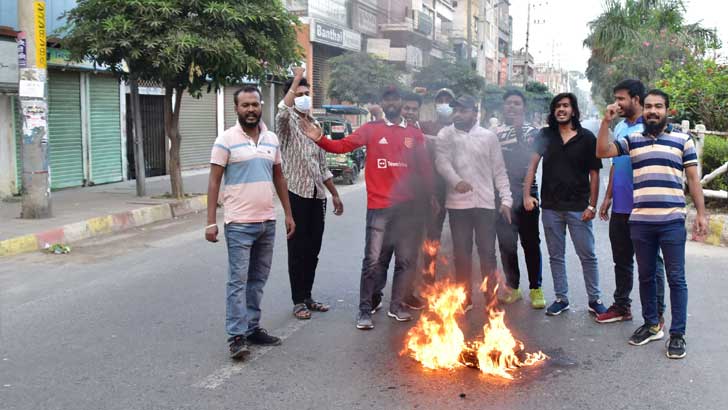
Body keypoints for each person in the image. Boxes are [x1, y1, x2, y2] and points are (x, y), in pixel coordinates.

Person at [302, 86, 434, 330]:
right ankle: (364, 310)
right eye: (387, 98)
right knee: (372, 261)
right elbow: (341, 147)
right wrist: (320, 139)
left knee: (405, 261)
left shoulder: (415, 134)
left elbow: (424, 168)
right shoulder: (371, 130)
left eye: (395, 98)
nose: (392, 102)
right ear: (382, 104)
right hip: (379, 207)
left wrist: (432, 198)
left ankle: (397, 305)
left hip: (408, 209)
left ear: (401, 102)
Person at [597, 89, 708, 359]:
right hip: (641, 222)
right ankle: (651, 325)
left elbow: (693, 180)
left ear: (668, 110)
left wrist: (701, 215)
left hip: (671, 222)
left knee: (676, 279)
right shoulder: (632, 139)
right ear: (643, 109)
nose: (653, 111)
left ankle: (678, 334)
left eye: (659, 106)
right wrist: (606, 122)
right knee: (646, 277)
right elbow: (602, 151)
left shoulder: (683, 139)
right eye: (648, 106)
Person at [205, 86, 295, 360]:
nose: (251, 110)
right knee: (238, 281)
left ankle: (252, 327)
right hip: (239, 225)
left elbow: (279, 177)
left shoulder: (271, 139)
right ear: (236, 109)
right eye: (245, 105)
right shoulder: (226, 140)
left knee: (257, 280)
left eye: (254, 104)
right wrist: (210, 222)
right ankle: (236, 336)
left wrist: (288, 214)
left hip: (267, 222)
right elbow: (214, 181)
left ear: (260, 106)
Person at [523, 93, 607, 316]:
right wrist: (526, 195)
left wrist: (592, 206)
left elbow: (594, 174)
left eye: (566, 106)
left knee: (587, 254)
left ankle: (594, 299)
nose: (561, 109)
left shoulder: (587, 138)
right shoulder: (545, 135)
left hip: (579, 207)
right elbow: (531, 166)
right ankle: (561, 298)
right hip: (551, 207)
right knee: (555, 255)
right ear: (554, 111)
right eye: (558, 106)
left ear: (573, 110)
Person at [595, 79, 667, 325]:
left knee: (652, 263)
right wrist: (607, 197)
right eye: (616, 99)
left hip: (645, 208)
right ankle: (622, 306)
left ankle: (657, 313)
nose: (617, 104)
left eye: (621, 99)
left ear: (636, 99)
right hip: (621, 207)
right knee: (622, 260)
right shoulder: (621, 128)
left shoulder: (651, 128)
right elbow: (616, 164)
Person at [276, 67, 344, 320]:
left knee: (313, 248)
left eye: (307, 93)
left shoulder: (314, 124)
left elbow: (322, 165)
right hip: (296, 193)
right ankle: (298, 301)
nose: (304, 97)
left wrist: (335, 194)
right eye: (299, 93)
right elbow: (283, 111)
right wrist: (296, 79)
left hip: (317, 196)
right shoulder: (286, 122)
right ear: (292, 95)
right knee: (298, 249)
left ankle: (308, 296)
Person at [435, 95, 513, 311]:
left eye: (463, 111)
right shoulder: (446, 135)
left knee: (488, 253)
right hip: (458, 205)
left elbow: (499, 170)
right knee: (461, 253)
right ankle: (464, 298)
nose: (458, 115)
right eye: (455, 111)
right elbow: (442, 162)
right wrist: (456, 181)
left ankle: (491, 299)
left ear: (475, 113)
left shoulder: (488, 137)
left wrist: (506, 199)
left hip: (485, 204)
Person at [494, 90, 545, 309]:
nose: (512, 107)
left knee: (531, 243)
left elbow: (532, 159)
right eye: (508, 104)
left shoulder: (532, 132)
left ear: (523, 107)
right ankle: (513, 287)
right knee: (507, 244)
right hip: (503, 195)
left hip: (528, 196)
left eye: (516, 103)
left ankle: (536, 288)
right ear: (503, 107)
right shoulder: (495, 132)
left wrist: (517, 130)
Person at [417, 88, 455, 287]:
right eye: (440, 99)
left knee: (461, 235)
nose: (444, 103)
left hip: (457, 189)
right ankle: (427, 274)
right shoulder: (426, 126)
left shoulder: (462, 127)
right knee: (432, 233)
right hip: (434, 188)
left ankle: (459, 276)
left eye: (448, 100)